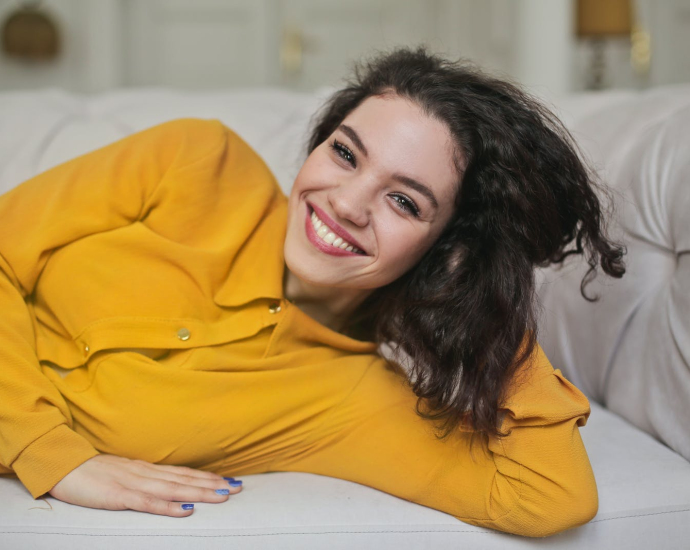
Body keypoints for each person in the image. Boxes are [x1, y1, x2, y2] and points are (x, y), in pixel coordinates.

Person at [0, 47, 624, 537]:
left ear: (447, 249)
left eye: (404, 202)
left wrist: (486, 296)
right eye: (346, 154)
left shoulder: (349, 400)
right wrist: (48, 452)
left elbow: (548, 496)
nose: (347, 204)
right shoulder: (195, 159)